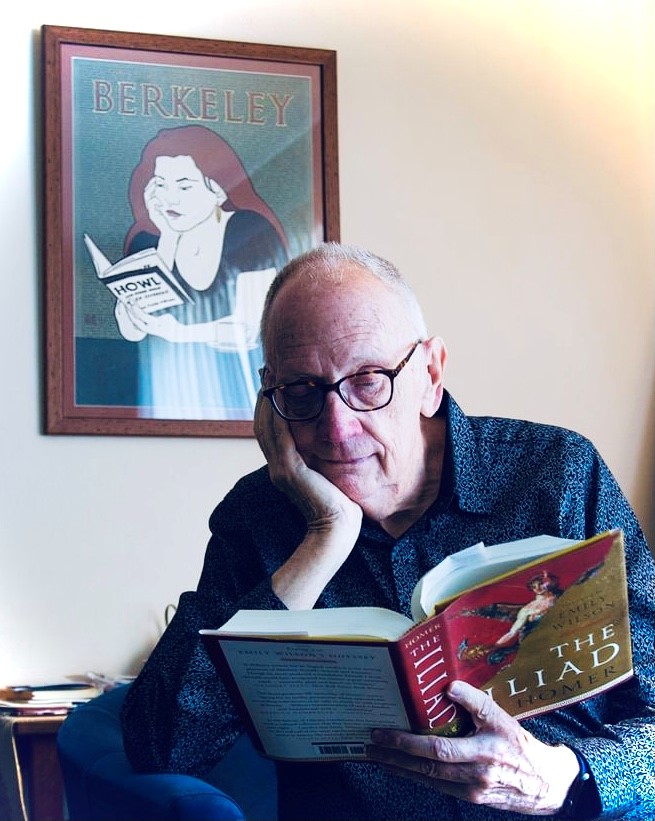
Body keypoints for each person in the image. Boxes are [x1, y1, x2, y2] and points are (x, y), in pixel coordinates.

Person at [121, 243, 655, 820]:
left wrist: (560, 779)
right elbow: (160, 745)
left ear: (430, 374)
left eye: (369, 380)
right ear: (269, 399)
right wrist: (321, 540)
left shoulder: (556, 476)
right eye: (301, 392)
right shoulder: (259, 517)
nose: (338, 428)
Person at [116, 125, 288, 417]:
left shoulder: (250, 230)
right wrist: (167, 238)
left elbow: (250, 330)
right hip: (165, 401)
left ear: (218, 189)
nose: (169, 198)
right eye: (160, 184)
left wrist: (179, 333)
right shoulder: (147, 241)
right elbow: (131, 331)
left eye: (184, 186)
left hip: (244, 402)